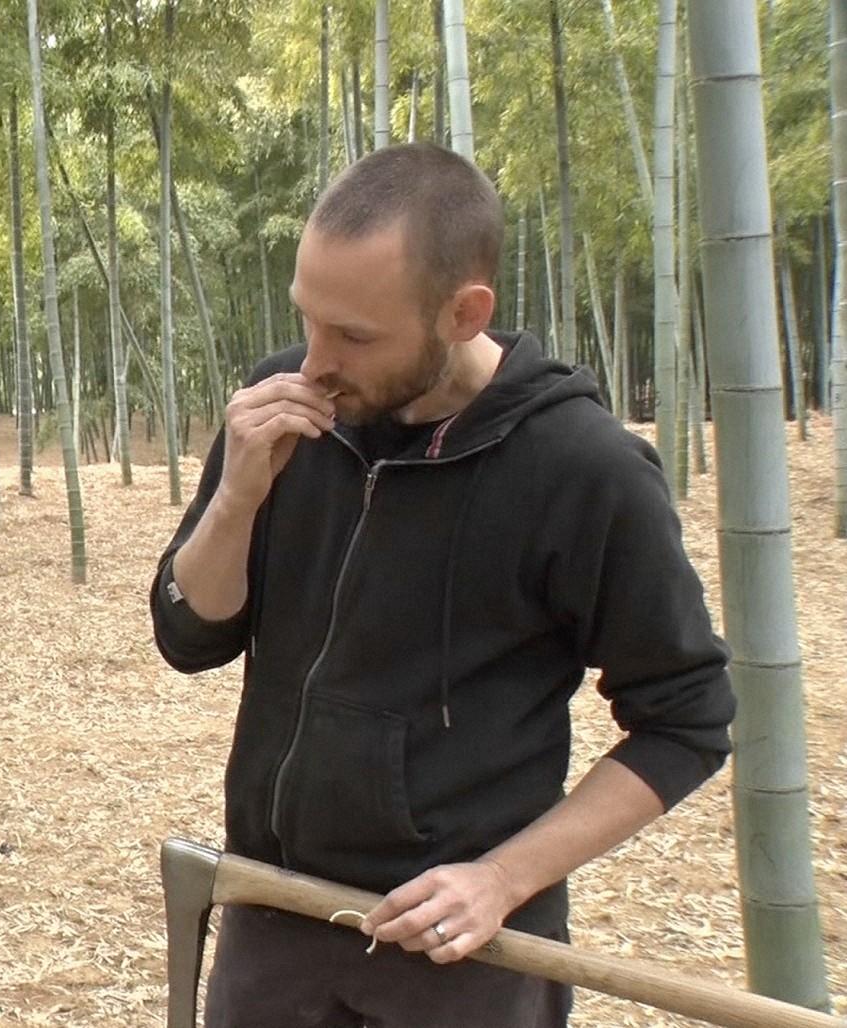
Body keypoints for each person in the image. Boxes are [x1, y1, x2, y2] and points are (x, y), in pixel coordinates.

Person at [149, 143, 735, 1028]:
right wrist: (236, 495)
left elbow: (684, 724)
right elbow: (190, 636)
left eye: (353, 335)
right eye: (308, 318)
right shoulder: (285, 409)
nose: (313, 362)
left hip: (458, 949)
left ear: (463, 313)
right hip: (274, 909)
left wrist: (501, 880)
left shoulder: (583, 471)